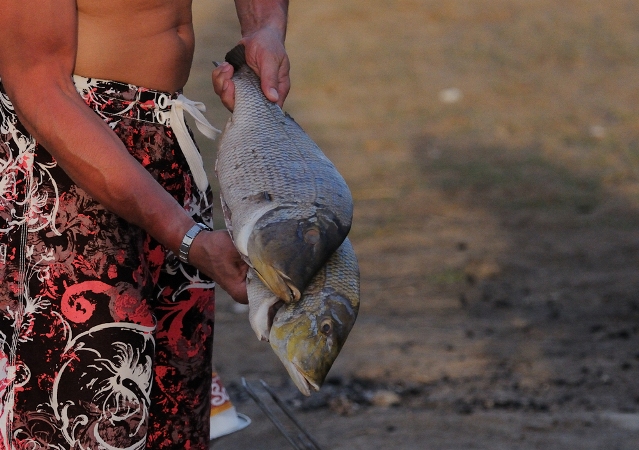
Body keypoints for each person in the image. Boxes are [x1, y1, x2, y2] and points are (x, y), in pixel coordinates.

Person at [0, 0, 290, 448]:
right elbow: (38, 83)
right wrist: (189, 238)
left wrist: (265, 26)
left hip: (165, 143)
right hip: (66, 158)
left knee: (171, 415)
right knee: (86, 415)